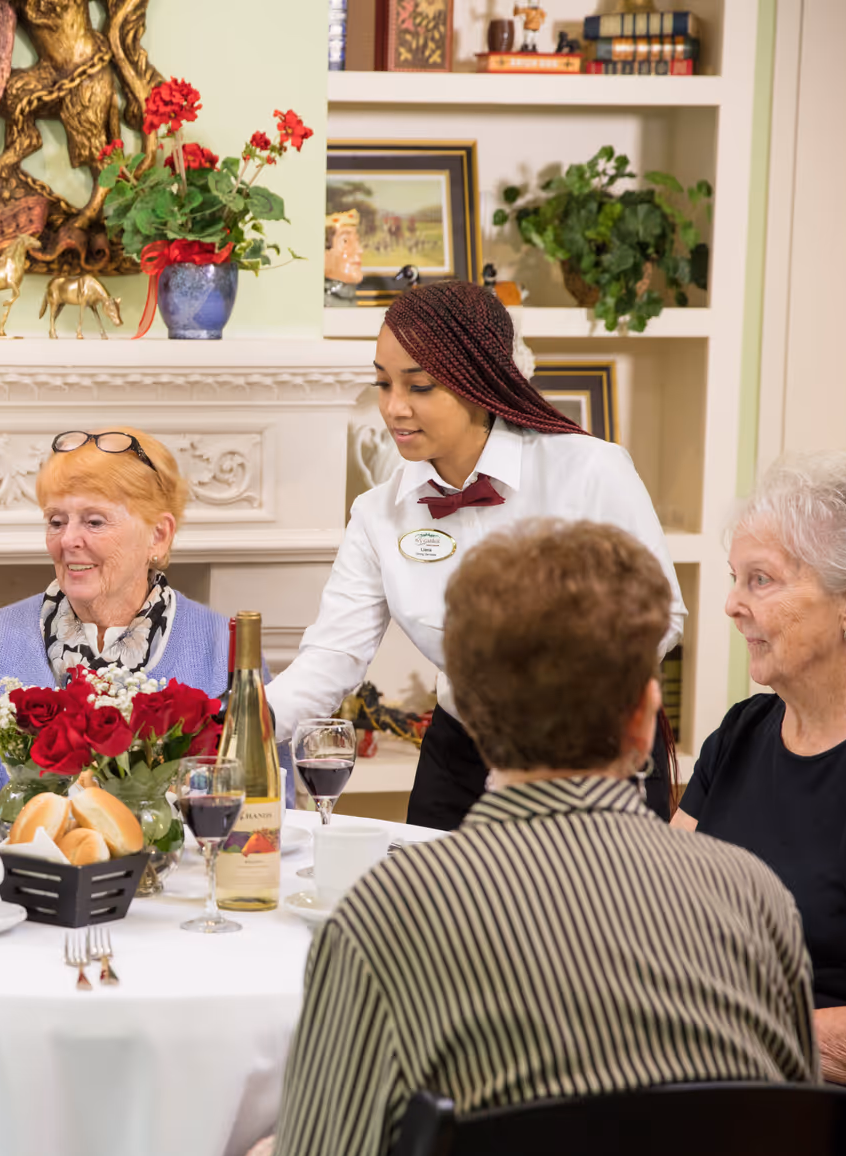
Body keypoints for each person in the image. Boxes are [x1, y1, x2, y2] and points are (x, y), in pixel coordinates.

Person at [219, 519, 816, 1156]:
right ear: (642, 717)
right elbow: (791, 1155)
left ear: (467, 712)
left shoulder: (394, 909)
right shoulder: (756, 896)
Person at [265, 280, 684, 829]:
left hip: (591, 753)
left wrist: (555, 697)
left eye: (419, 387)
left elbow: (663, 617)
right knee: (437, 911)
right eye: (383, 383)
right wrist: (233, 725)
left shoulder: (590, 470)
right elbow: (332, 657)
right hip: (459, 757)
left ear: (479, 380)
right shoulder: (377, 512)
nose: (393, 408)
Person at [674, 450, 846, 1156]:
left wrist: (717, 1039)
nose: (731, 604)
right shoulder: (744, 732)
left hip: (841, 1090)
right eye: (734, 578)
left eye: (759, 580)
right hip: (710, 1051)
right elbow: (658, 905)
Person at [0, 427, 228, 797]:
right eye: (56, 521)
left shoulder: (223, 644)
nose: (67, 541)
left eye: (94, 521)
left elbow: (266, 800)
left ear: (158, 535)